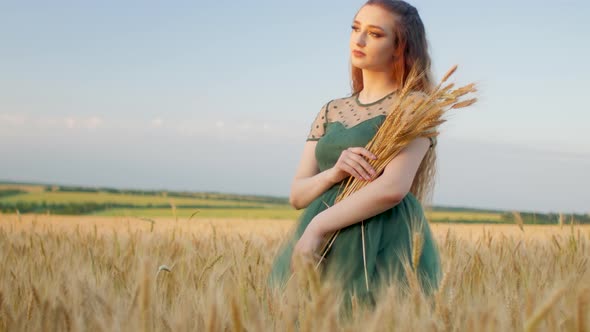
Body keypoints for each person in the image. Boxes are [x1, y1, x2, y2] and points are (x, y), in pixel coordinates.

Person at [267, 0, 442, 311]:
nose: (358, 40)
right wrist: (334, 173)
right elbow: (297, 194)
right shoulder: (331, 110)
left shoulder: (414, 106)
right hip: (320, 243)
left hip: (379, 240)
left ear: (400, 47)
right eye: (355, 28)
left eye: (374, 34)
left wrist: (317, 228)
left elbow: (393, 188)